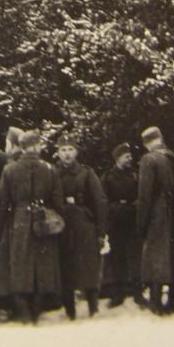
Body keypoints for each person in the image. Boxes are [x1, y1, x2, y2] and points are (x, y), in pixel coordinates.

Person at [0, 129, 64, 324]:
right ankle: (36, 312)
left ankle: (24, 314)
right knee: (42, 266)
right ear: (38, 146)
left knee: (20, 265)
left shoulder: (10, 170)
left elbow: (1, 203)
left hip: (19, 221)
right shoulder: (50, 170)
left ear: (22, 148)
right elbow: (58, 203)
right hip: (43, 220)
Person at [54, 135, 108, 319]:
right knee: (66, 267)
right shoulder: (53, 174)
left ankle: (93, 307)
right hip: (62, 227)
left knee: (88, 267)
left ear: (76, 152)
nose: (67, 154)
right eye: (63, 150)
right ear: (58, 153)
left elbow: (100, 202)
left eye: (70, 150)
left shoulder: (87, 173)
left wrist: (100, 232)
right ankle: (70, 310)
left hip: (84, 226)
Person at [137, 126, 174, 315]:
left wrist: (141, 222)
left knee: (156, 255)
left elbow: (144, 195)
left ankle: (156, 302)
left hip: (157, 211)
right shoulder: (173, 157)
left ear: (147, 143)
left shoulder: (148, 159)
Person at [101, 143, 142, 308]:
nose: (129, 159)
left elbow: (142, 194)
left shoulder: (136, 175)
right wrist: (117, 208)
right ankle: (117, 295)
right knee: (116, 258)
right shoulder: (107, 177)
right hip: (116, 222)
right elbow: (103, 200)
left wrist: (133, 207)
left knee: (135, 257)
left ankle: (138, 293)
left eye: (130, 156)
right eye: (126, 156)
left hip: (132, 220)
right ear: (118, 158)